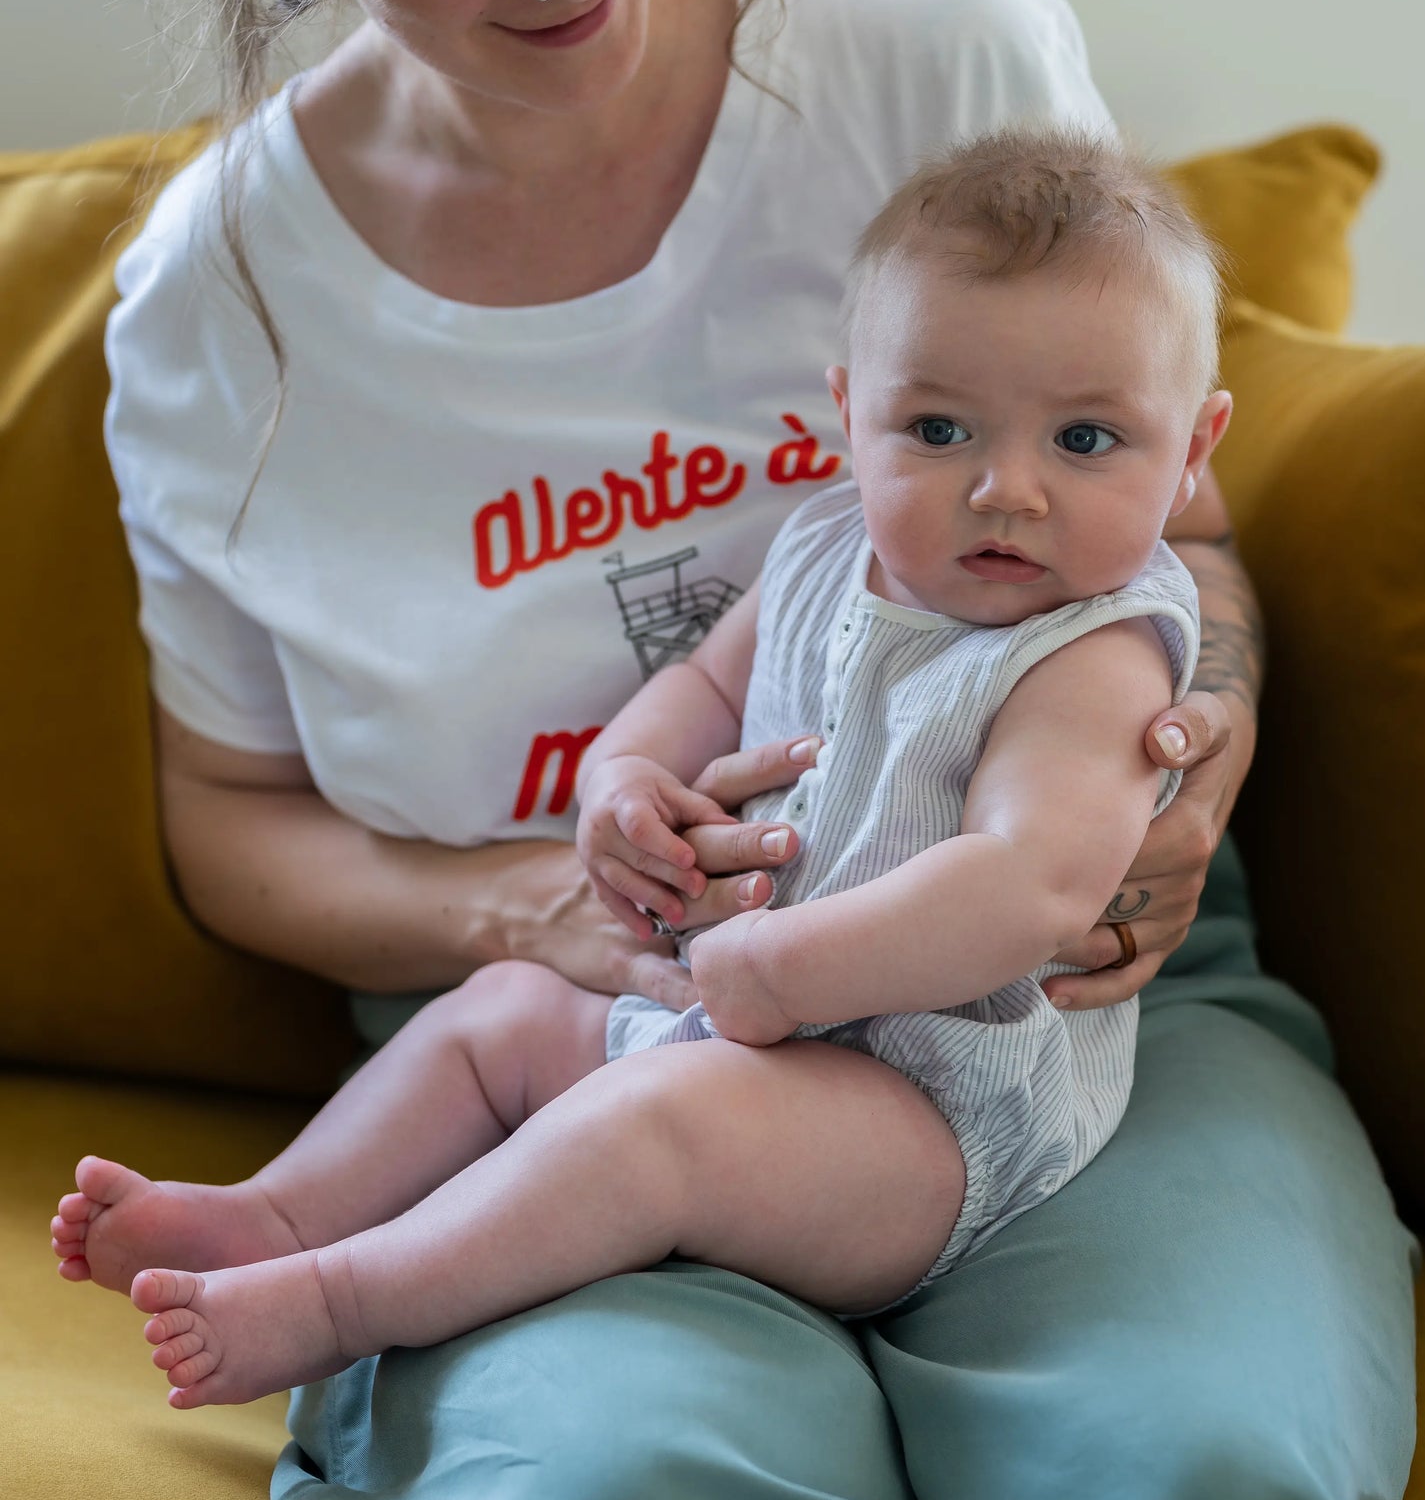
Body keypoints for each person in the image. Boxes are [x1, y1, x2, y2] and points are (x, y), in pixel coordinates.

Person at [74, 0, 1423, 1500]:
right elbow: (230, 821)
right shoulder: (214, 311)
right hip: (592, 1037)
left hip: (1062, 1021)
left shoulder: (944, 60)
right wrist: (543, 903)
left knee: (1187, 1485)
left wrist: (1190, 768)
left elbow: (1185, 547)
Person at [52, 129, 1223, 1393]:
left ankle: (340, 1301)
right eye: (937, 428)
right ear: (849, 416)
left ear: (1192, 452)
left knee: (657, 1124)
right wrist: (620, 779)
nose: (1005, 490)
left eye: (1084, 441)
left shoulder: (1092, 654)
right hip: (729, 1017)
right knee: (499, 1013)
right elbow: (703, 685)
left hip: (929, 1116)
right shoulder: (828, 545)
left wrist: (780, 969)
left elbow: (1024, 884)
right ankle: (276, 1216)